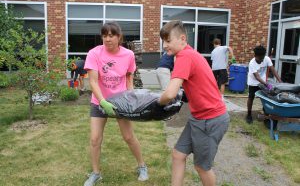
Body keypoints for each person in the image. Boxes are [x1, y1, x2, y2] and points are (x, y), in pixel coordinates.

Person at [158, 20, 230, 186]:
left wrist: (157, 103)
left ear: (182, 39)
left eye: (168, 41)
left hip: (211, 120)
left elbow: (169, 93)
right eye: (163, 41)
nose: (164, 45)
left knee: (202, 167)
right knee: (178, 154)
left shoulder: (184, 56)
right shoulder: (189, 53)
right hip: (198, 118)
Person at [83, 22, 148, 186]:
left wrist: (131, 97)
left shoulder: (128, 55)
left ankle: (142, 166)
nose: (107, 39)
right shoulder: (94, 53)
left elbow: (128, 77)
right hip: (100, 101)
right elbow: (93, 81)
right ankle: (96, 173)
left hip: (121, 101)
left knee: (128, 136)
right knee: (94, 139)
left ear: (119, 37)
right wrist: (103, 102)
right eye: (104, 36)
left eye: (111, 35)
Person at [246, 45, 282, 124]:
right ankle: (249, 114)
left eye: (263, 58)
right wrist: (266, 84)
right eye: (260, 59)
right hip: (253, 82)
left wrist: (280, 81)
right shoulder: (252, 63)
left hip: (262, 81)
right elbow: (257, 77)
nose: (262, 60)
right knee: (251, 97)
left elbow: (273, 70)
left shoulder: (267, 59)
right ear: (255, 56)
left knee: (266, 98)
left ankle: (266, 114)